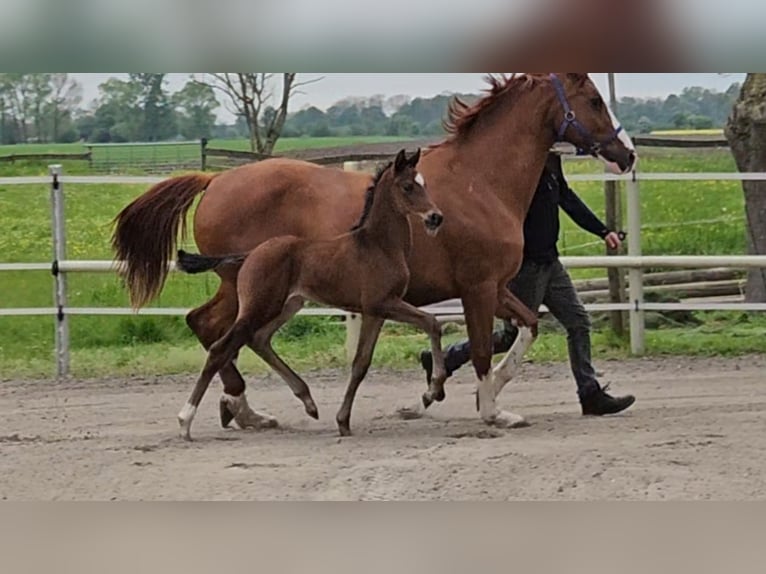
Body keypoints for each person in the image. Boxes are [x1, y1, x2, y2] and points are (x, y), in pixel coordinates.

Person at [420, 151, 636, 416]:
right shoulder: (514, 164)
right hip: (525, 266)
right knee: (510, 335)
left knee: (578, 321)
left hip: (550, 262)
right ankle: (444, 359)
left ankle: (589, 393)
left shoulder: (552, 162)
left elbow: (566, 199)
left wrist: (602, 231)